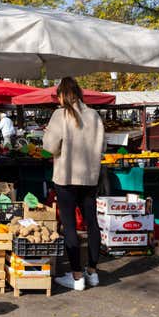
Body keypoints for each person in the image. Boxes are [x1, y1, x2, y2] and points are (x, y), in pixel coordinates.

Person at [43, 77, 105, 292]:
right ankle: (93, 272)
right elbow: (102, 145)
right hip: (90, 178)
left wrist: (47, 135)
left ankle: (77, 276)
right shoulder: (94, 115)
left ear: (62, 94)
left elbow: (50, 147)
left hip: (67, 177)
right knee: (92, 222)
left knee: (69, 225)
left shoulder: (61, 115)